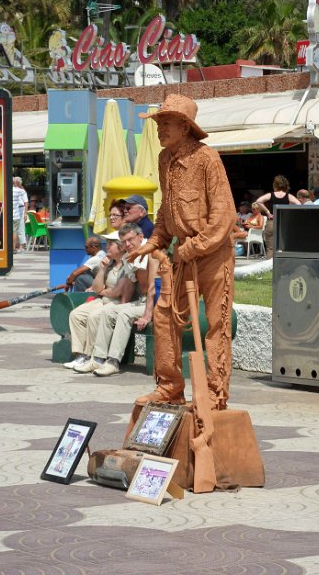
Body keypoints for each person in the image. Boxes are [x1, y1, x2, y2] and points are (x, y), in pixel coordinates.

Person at [128, 94, 237, 409]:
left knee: (217, 324)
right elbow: (167, 209)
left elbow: (224, 216)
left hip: (213, 255)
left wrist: (194, 246)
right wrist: (155, 240)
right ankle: (170, 387)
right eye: (158, 123)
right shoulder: (165, 160)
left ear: (186, 127)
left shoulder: (207, 159)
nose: (160, 129)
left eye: (166, 123)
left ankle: (215, 395)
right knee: (164, 317)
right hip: (181, 256)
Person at [91, 222, 159, 377]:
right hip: (139, 302)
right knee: (109, 311)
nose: (127, 244)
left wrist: (148, 315)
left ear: (140, 237)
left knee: (125, 314)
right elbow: (129, 284)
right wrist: (123, 306)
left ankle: (113, 361)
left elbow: (152, 288)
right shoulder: (130, 256)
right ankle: (98, 359)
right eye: (124, 242)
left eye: (130, 240)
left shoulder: (152, 253)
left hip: (156, 304)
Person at [64, 231, 130, 370]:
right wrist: (102, 269)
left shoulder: (127, 264)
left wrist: (103, 291)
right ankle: (81, 355)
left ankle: (92, 356)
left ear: (121, 247)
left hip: (117, 302)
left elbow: (118, 292)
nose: (107, 247)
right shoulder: (108, 263)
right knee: (76, 315)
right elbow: (96, 287)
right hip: (104, 299)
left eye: (111, 244)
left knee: (94, 317)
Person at [256, 175, 300, 259]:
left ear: (275, 185)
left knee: (270, 248)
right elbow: (298, 204)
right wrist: (288, 212)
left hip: (272, 222)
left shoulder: (270, 195)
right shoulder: (288, 196)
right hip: (284, 223)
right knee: (282, 247)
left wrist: (267, 212)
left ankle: (268, 269)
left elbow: (259, 201)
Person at [13, 176, 28, 252]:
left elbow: (26, 202)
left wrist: (25, 213)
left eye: (15, 182)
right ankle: (17, 245)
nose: (14, 183)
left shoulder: (21, 191)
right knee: (16, 229)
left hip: (21, 209)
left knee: (20, 228)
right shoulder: (14, 190)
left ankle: (22, 246)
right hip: (15, 209)